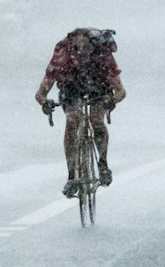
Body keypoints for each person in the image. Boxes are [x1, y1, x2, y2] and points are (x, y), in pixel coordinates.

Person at [34, 28, 125, 197]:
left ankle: (103, 164)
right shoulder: (63, 54)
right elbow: (42, 91)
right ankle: (72, 176)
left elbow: (120, 90)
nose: (82, 53)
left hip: (99, 84)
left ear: (93, 46)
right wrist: (45, 102)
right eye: (77, 50)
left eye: (86, 49)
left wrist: (110, 100)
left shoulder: (102, 54)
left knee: (96, 119)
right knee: (72, 122)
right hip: (71, 87)